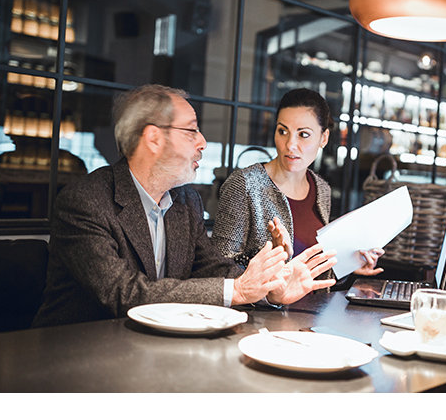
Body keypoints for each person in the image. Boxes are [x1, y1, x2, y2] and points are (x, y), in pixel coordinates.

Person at [32, 85, 336, 328]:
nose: (203, 142)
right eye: (191, 131)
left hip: (156, 351)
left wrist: (270, 286)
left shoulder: (185, 200)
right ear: (153, 138)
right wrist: (239, 290)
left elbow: (213, 267)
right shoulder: (85, 202)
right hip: (77, 356)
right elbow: (125, 295)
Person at [211, 88, 384, 284]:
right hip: (261, 313)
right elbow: (220, 270)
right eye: (283, 131)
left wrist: (351, 265)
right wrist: (274, 267)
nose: (290, 144)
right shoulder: (244, 184)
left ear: (324, 138)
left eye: (303, 134)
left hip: (315, 312)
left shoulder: (321, 189)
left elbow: (312, 272)